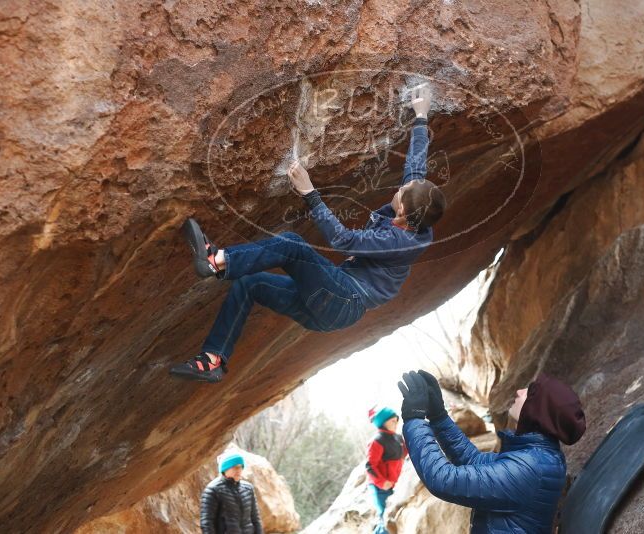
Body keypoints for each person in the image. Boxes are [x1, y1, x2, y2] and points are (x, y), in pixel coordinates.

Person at [170, 84, 446, 382]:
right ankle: (213, 359)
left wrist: (309, 193)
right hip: (329, 309)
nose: (401, 187)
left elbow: (343, 240)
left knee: (293, 245)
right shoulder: (415, 216)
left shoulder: (397, 241)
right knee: (249, 284)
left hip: (344, 298)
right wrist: (421, 116)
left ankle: (214, 260)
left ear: (403, 214)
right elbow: (415, 172)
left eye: (402, 193)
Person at [397, 370, 586, 533]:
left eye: (530, 392)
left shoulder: (531, 468)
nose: (519, 392)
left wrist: (414, 419)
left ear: (540, 411)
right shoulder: (538, 456)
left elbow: (444, 479)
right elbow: (474, 460)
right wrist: (439, 417)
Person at [365, 405, 407, 534]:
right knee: (386, 518)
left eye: (396, 420)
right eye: (392, 421)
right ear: (382, 422)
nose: (396, 423)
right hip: (380, 487)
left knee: (392, 517)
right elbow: (370, 466)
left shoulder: (398, 438)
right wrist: (382, 483)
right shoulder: (376, 441)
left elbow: (405, 452)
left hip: (394, 484)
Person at [200, 451, 263, 534]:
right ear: (225, 468)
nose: (239, 470)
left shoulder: (248, 489)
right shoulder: (213, 490)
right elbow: (207, 523)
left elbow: (255, 519)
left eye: (241, 467)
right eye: (235, 467)